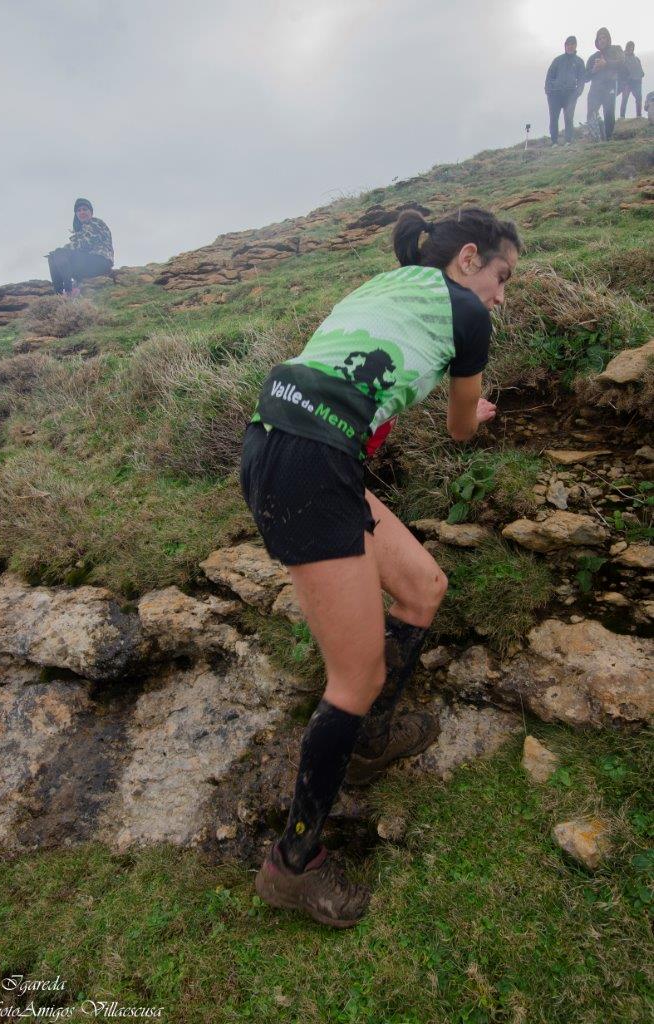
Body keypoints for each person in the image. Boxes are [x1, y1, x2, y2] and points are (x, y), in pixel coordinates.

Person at [240, 206, 521, 927]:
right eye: (502, 276)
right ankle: (293, 864)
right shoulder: (466, 313)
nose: (500, 295)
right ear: (467, 259)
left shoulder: (388, 285)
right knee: (355, 676)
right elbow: (460, 430)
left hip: (291, 441)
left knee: (424, 586)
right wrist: (477, 412)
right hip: (311, 460)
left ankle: (366, 740)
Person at [46, 198, 114, 295]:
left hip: (100, 262)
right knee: (52, 258)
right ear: (76, 214)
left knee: (59, 253)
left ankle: (69, 289)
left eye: (84, 209)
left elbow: (85, 244)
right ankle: (59, 294)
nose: (82, 212)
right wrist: (56, 254)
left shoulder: (96, 223)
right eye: (79, 210)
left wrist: (61, 251)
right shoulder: (81, 230)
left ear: (91, 212)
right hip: (86, 264)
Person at [585, 27, 625, 141]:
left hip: (610, 86)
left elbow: (622, 62)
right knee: (591, 114)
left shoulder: (616, 50)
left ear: (608, 39)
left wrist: (606, 63)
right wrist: (594, 69)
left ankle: (608, 138)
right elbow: (585, 76)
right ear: (596, 41)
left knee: (608, 113)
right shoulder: (593, 57)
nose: (601, 40)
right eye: (599, 38)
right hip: (595, 89)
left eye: (604, 37)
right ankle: (597, 139)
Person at [544, 36, 585, 145]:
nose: (570, 46)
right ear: (565, 46)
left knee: (569, 118)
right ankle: (554, 142)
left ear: (575, 45)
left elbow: (582, 79)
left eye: (572, 44)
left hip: (570, 94)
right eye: (568, 44)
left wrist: (578, 92)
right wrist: (548, 91)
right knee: (553, 118)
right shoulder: (557, 60)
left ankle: (568, 141)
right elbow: (549, 76)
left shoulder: (579, 62)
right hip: (555, 94)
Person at [619, 42, 645, 119]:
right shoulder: (622, 58)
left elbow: (640, 72)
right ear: (627, 47)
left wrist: (640, 76)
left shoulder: (636, 59)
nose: (631, 48)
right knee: (624, 99)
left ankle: (639, 116)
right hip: (627, 82)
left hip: (636, 82)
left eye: (632, 47)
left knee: (639, 99)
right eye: (629, 46)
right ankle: (622, 117)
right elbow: (620, 70)